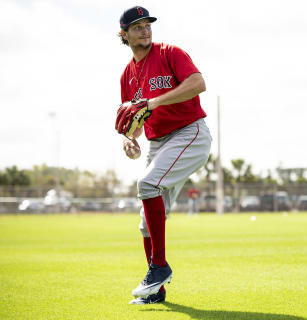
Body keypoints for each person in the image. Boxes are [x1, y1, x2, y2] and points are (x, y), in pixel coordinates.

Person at [117, 6, 212, 305]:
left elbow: (198, 84)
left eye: (147, 25)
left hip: (189, 132)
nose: (145, 30)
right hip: (159, 143)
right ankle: (156, 291)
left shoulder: (170, 52)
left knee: (146, 185)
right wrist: (129, 140)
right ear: (124, 35)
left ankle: (159, 267)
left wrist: (154, 102)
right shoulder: (127, 76)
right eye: (137, 27)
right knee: (146, 221)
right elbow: (134, 118)